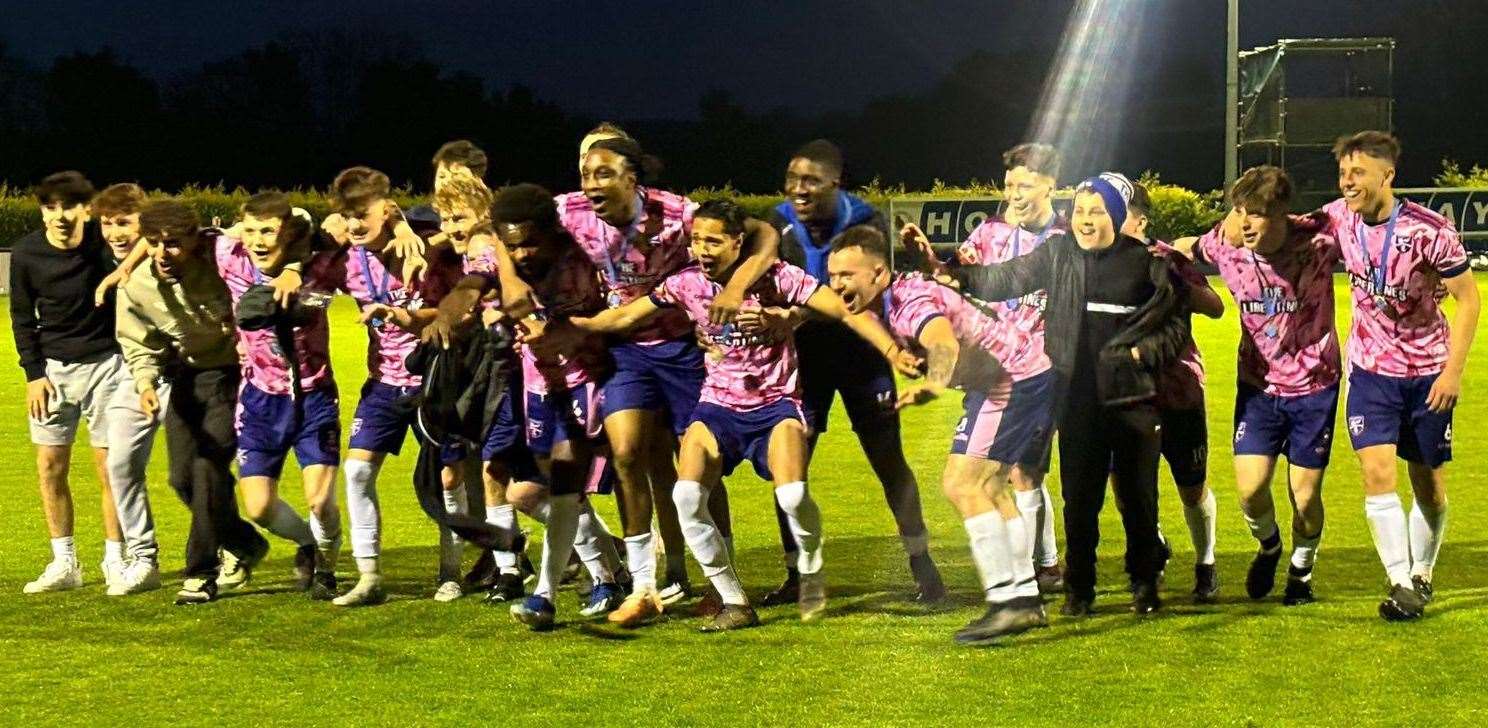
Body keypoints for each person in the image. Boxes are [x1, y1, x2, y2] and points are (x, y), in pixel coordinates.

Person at [570, 199, 918, 631]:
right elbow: (622, 315)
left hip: (775, 406)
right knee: (685, 498)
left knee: (792, 497)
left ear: (738, 242)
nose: (702, 249)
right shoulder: (685, 284)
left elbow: (844, 309)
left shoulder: (778, 279)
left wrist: (889, 349)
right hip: (717, 406)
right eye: (696, 240)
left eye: (714, 240)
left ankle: (811, 562)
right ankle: (735, 602)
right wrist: (567, 328)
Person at [554, 137, 781, 618]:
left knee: (698, 463)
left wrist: (737, 285)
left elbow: (763, 233)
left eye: (603, 174)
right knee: (626, 455)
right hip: (624, 350)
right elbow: (507, 232)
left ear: (631, 178)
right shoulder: (568, 211)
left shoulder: (677, 212)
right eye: (586, 174)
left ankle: (723, 582)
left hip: (683, 348)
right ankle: (642, 586)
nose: (591, 184)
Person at [948, 173, 1191, 617]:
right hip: (1076, 401)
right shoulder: (1059, 254)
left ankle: (1144, 585)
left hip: (1131, 402)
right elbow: (1009, 276)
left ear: (1117, 217)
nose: (1084, 220)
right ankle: (1080, 590)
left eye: (1096, 211)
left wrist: (1141, 353)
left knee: (1139, 500)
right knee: (1080, 501)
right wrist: (957, 275)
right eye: (1079, 211)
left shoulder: (1147, 264)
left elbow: (1175, 327)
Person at [827, 225, 1046, 645]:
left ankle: (1006, 604)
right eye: (833, 276)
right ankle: (1026, 599)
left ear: (878, 273)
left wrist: (933, 384)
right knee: (994, 488)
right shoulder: (887, 298)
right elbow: (847, 313)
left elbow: (943, 342)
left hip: (1012, 378)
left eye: (846, 276)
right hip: (1017, 373)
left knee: (963, 484)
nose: (837, 285)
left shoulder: (909, 301)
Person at [429, 182, 628, 629]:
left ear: (553, 233)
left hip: (588, 380)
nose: (522, 253)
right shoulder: (503, 255)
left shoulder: (583, 256)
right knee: (529, 493)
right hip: (538, 386)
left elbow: (603, 315)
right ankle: (609, 572)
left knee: (563, 487)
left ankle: (550, 593)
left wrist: (561, 327)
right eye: (513, 245)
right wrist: (452, 308)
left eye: (530, 243)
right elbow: (473, 279)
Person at [765, 139, 943, 604]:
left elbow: (853, 300)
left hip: (862, 355)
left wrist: (797, 315)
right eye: (791, 180)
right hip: (804, 361)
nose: (797, 190)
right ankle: (797, 573)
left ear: (834, 183)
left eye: (810, 182)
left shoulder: (864, 219)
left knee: (889, 463)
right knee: (789, 465)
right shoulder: (776, 221)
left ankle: (924, 567)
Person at [1312, 131, 1479, 620]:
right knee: (1376, 471)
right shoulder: (1338, 217)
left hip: (1428, 372)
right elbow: (1281, 226)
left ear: (1387, 175)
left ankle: (1422, 571)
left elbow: (1468, 300)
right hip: (1370, 371)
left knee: (1426, 482)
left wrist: (1451, 373)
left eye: (1358, 173)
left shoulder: (1430, 232)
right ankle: (1401, 581)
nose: (1347, 183)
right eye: (1343, 173)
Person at [1172, 165, 1338, 606]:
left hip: (1314, 386)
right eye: (1239, 211)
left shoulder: (1320, 244)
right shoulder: (1228, 247)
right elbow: (1186, 249)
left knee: (1304, 500)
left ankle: (1301, 572)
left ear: (1282, 213)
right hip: (1258, 386)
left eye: (1257, 213)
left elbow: (1369, 239)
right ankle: (1269, 547)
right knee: (1249, 490)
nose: (1245, 222)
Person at [905, 142, 1067, 593]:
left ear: (1050, 184)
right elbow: (951, 275)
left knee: (1018, 472)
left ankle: (1037, 573)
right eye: (1010, 183)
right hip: (992, 368)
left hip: (1038, 371)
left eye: (1025, 183)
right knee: (998, 476)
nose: (1014, 192)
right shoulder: (989, 234)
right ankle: (1030, 578)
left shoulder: (1065, 241)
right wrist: (927, 257)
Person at [315, 166, 463, 606]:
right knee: (357, 471)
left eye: (364, 213)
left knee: (449, 479)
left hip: (435, 380)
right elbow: (304, 256)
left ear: (387, 206)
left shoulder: (427, 245)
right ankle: (369, 576)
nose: (356, 223)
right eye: (347, 215)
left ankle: (450, 573)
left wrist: (406, 229)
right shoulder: (346, 261)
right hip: (382, 382)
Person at [114, 200, 272, 604]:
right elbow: (138, 343)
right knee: (181, 479)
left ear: (195, 241)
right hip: (187, 378)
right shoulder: (137, 285)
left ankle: (201, 573)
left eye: (173, 244)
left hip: (235, 376)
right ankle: (245, 543)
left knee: (207, 468)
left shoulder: (223, 258)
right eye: (153, 243)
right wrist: (146, 383)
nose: (162, 253)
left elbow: (296, 220)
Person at [217, 192, 342, 599]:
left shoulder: (319, 267)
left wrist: (293, 270)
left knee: (321, 499)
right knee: (256, 507)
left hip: (314, 394)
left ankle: (327, 566)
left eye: (269, 231)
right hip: (258, 398)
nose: (258, 240)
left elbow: (323, 225)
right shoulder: (228, 255)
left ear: (287, 233)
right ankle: (308, 542)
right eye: (251, 230)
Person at [9, 171, 127, 594]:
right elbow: (22, 318)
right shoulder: (26, 254)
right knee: (50, 466)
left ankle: (116, 560)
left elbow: (152, 236)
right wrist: (34, 375)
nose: (60, 216)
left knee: (109, 468)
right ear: (42, 211)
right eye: (51, 207)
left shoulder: (106, 241)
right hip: (53, 372)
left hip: (109, 368)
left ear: (86, 209)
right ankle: (65, 563)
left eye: (69, 207)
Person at [1120, 182, 1225, 603]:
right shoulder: (1093, 262)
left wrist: (1176, 283)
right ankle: (1153, 545)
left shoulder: (1169, 258)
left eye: (1118, 213)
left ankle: (1206, 562)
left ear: (1141, 220)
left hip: (1177, 390)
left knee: (1191, 487)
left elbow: (1215, 306)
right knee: (1127, 486)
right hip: (1124, 394)